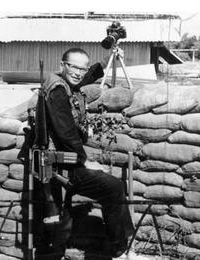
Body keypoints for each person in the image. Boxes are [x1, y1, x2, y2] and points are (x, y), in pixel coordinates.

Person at [34, 47, 134, 259]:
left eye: (83, 68)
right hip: (60, 165)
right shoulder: (58, 91)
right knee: (114, 188)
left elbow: (85, 76)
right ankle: (120, 247)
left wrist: (108, 60)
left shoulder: (63, 83)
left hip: (64, 161)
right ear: (63, 65)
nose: (79, 73)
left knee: (61, 220)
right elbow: (66, 132)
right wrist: (85, 161)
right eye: (73, 67)